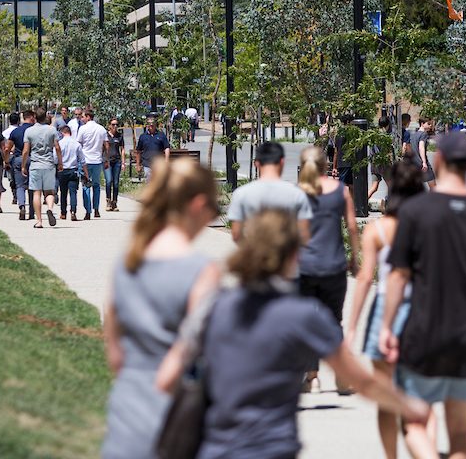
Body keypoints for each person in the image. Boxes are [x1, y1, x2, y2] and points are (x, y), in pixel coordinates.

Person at [158, 209, 432, 459]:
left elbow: (166, 379)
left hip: (214, 449)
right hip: (271, 448)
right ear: (293, 255)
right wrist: (408, 407)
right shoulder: (303, 316)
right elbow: (362, 382)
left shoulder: (213, 306)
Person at [380, 130, 466, 459]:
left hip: (424, 331)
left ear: (438, 160)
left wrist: (387, 327)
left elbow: (398, 276)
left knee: (414, 423)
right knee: (461, 433)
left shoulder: (416, 212)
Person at [101, 159, 222, 459]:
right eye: (213, 211)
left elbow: (115, 353)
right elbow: (199, 348)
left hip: (126, 410)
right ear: (197, 205)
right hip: (177, 420)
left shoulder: (127, 263)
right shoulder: (201, 271)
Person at [346, 162, 433, 459]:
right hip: (423, 307)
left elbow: (365, 277)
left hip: (385, 306)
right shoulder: (429, 227)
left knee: (386, 395)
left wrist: (353, 326)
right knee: (421, 394)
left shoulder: (378, 229)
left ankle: (391, 455)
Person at [296, 145, 361, 391]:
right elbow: (353, 227)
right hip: (333, 265)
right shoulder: (341, 191)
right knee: (334, 321)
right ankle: (343, 377)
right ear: (327, 165)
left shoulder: (297, 194)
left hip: (304, 268)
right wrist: (355, 258)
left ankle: (312, 376)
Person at [226, 141, 313, 243]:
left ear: (256, 164)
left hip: (255, 253)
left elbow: (236, 234)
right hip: (285, 254)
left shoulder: (241, 193)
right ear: (282, 162)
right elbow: (304, 234)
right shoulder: (297, 194)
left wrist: (250, 251)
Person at [23, 108, 63, 228]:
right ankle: (50, 208)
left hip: (35, 164)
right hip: (49, 164)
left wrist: (23, 165)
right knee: (49, 191)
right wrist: (60, 162)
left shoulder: (29, 131)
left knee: (36, 193)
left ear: (34, 116)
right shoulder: (52, 130)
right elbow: (57, 147)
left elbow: (25, 151)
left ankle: (39, 220)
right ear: (45, 116)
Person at [78, 109, 108, 220]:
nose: (82, 119)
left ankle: (88, 211)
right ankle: (96, 209)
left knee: (86, 186)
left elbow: (79, 144)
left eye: (83, 116)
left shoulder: (82, 129)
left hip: (85, 161)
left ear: (88, 117)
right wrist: (106, 159)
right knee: (96, 186)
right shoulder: (101, 129)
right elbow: (106, 145)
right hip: (97, 160)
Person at [9, 110, 35, 220]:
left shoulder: (16, 132)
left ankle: (22, 206)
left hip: (19, 159)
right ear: (32, 117)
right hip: (33, 159)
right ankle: (32, 211)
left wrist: (6, 160)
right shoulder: (34, 131)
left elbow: (7, 148)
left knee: (20, 186)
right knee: (32, 186)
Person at [57, 124, 87, 221]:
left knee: (63, 192)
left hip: (62, 170)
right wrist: (86, 174)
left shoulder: (59, 144)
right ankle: (73, 211)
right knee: (73, 192)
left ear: (62, 133)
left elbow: (54, 158)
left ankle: (63, 213)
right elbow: (82, 160)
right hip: (73, 170)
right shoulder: (76, 144)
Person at [104, 117, 125, 212]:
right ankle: (108, 201)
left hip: (117, 161)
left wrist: (123, 162)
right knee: (109, 181)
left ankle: (114, 202)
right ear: (109, 126)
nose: (115, 126)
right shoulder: (105, 136)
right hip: (108, 161)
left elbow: (123, 149)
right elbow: (102, 148)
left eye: (116, 124)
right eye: (113, 124)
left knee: (116, 183)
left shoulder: (119, 136)